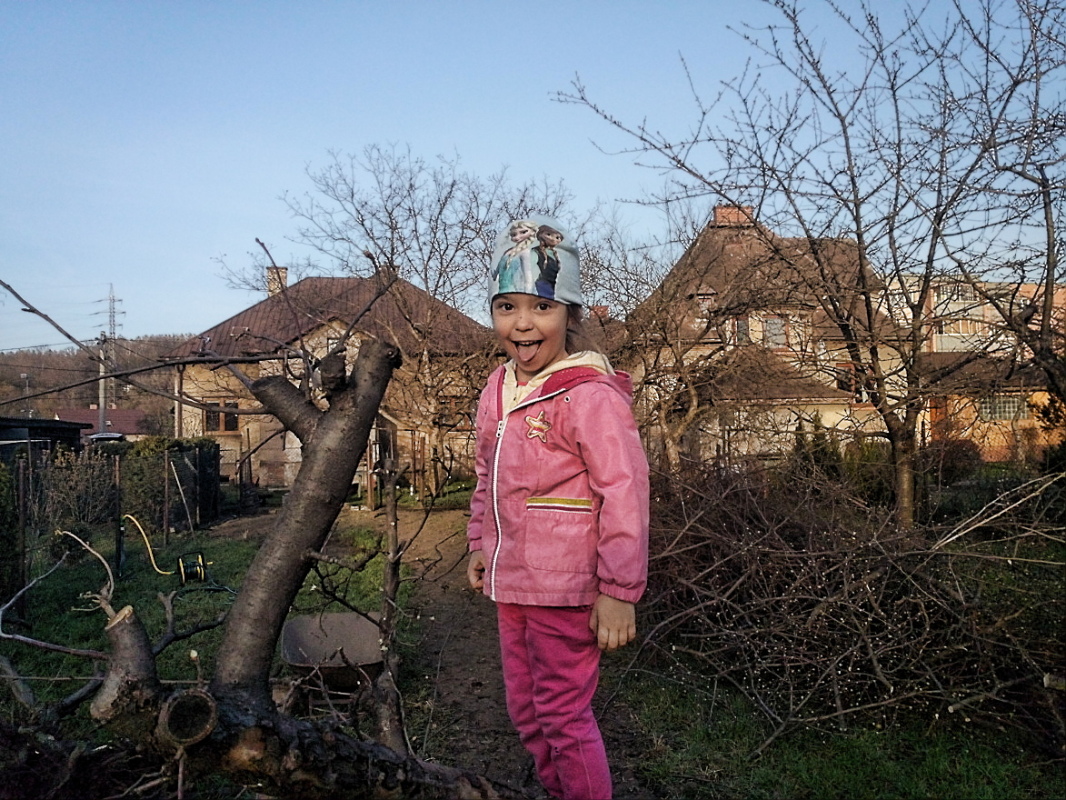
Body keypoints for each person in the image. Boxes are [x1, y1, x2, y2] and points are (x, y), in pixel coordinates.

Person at [467, 216, 650, 800]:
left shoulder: (590, 395)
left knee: (563, 716)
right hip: (513, 582)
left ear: (569, 315)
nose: (522, 323)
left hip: (568, 587)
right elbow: (486, 474)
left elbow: (625, 492)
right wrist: (479, 543)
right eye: (506, 307)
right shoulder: (497, 389)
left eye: (541, 307)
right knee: (527, 712)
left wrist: (618, 591)